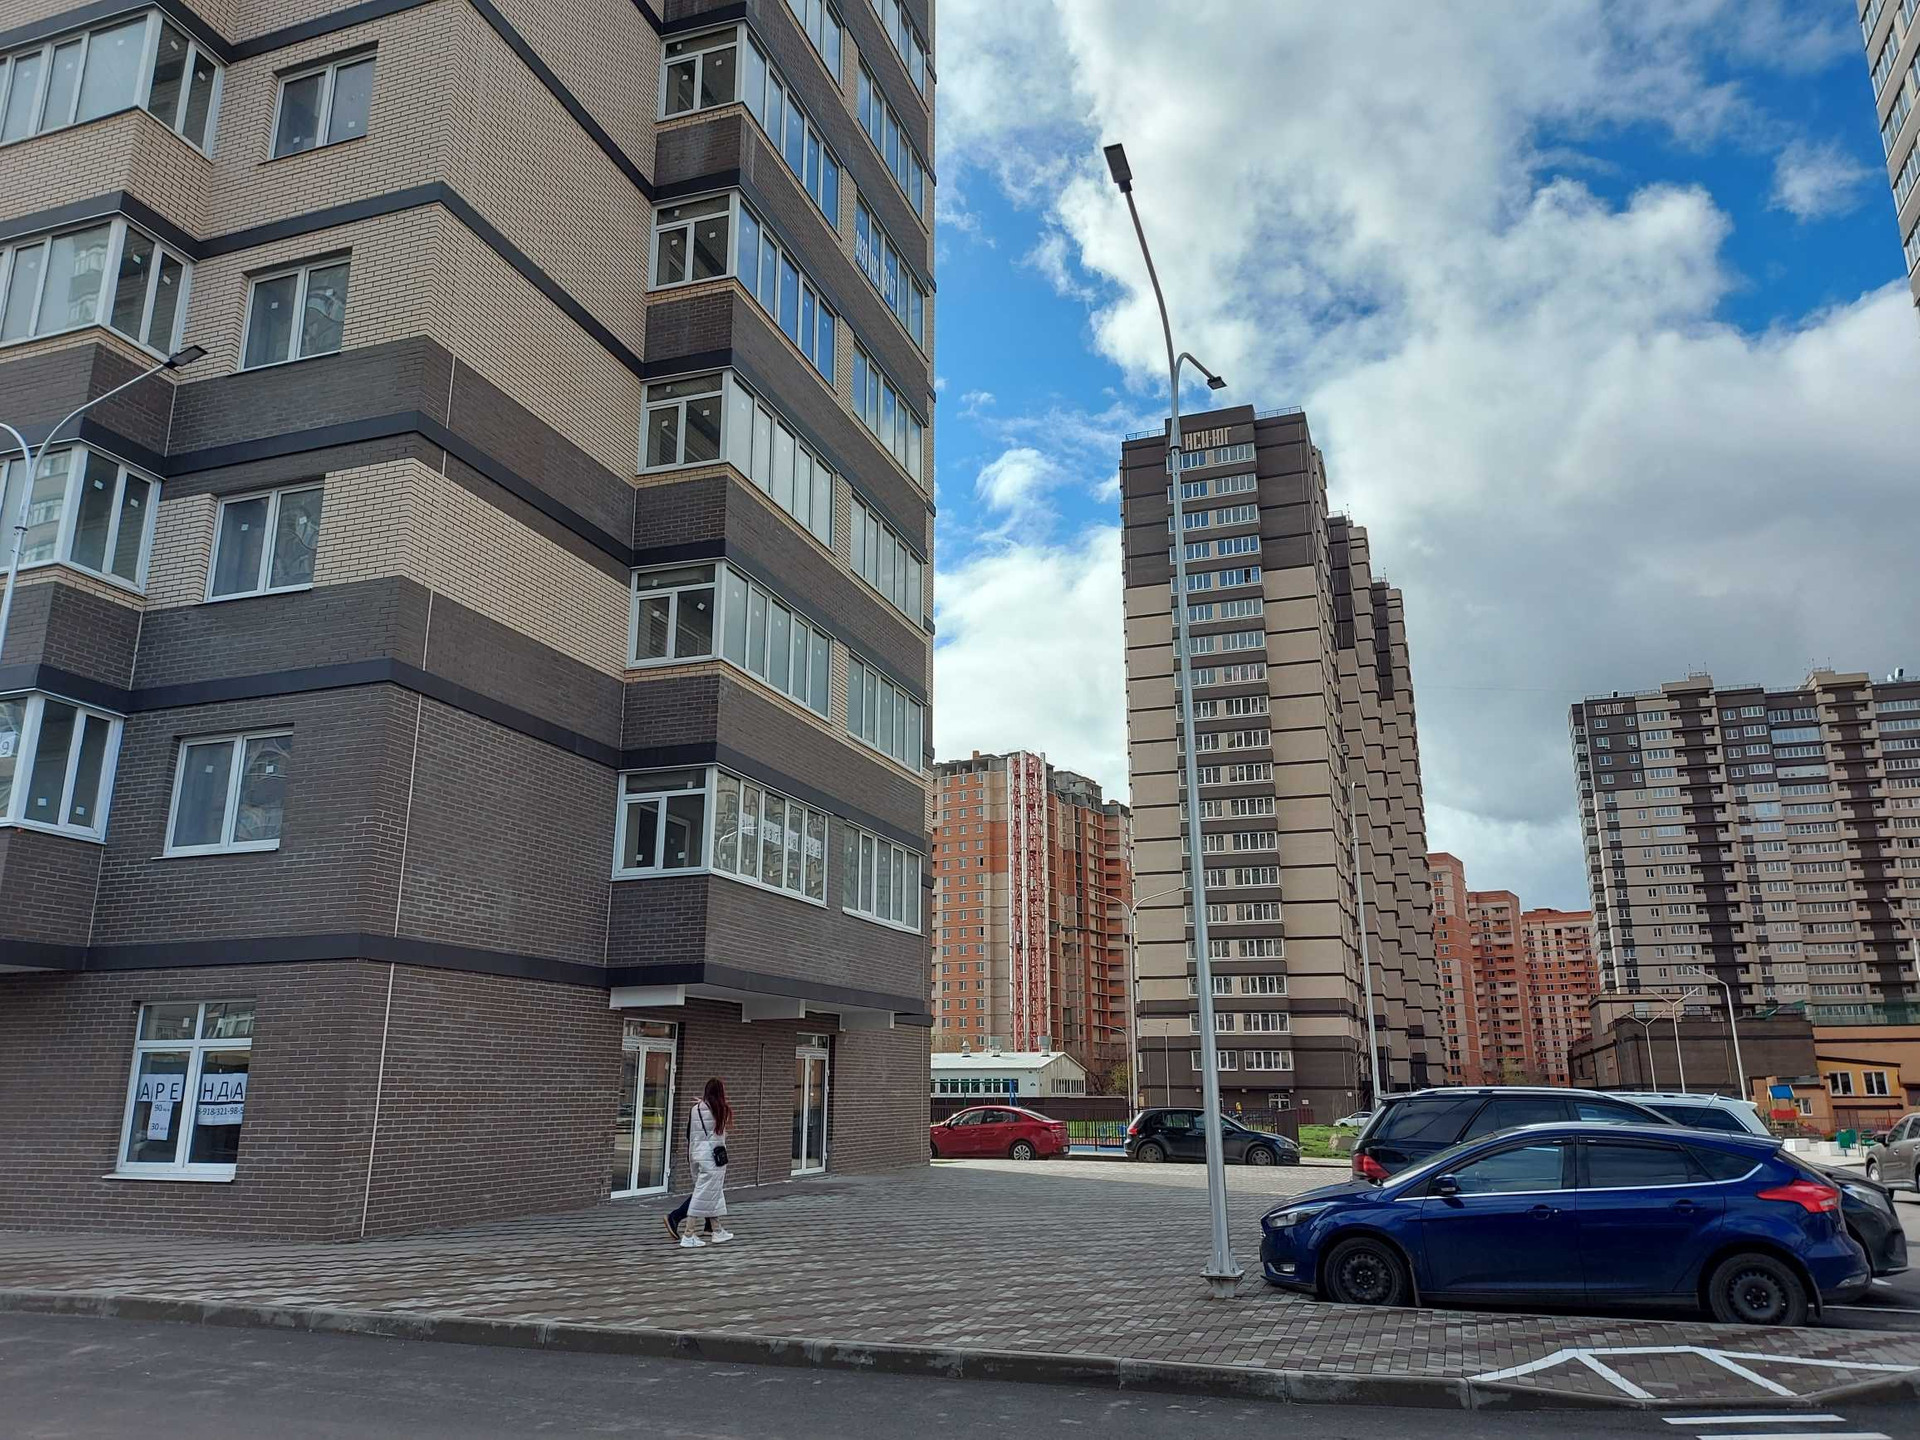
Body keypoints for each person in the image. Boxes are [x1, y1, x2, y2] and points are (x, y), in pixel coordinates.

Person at [664, 1077, 732, 1247]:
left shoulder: (695, 1109)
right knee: (702, 1194)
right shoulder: (721, 1109)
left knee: (711, 1192)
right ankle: (688, 1234)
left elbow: (690, 1132)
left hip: (696, 1154)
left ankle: (716, 1230)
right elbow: (721, 1133)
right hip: (714, 1158)